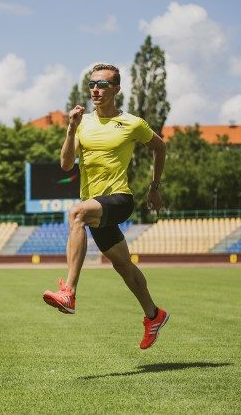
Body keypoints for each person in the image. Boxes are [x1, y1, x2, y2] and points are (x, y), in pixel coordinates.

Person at [42, 63, 169, 350]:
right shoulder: (83, 123)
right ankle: (154, 314)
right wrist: (71, 129)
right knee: (123, 266)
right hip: (96, 205)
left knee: (76, 213)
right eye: (91, 84)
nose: (95, 89)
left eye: (102, 84)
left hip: (120, 199)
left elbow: (160, 148)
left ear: (116, 89)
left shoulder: (132, 123)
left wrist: (154, 187)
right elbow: (65, 165)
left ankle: (69, 293)